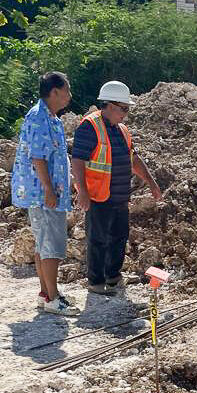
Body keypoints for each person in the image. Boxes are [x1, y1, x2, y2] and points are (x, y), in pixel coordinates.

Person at [70, 81, 162, 297]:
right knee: (98, 239)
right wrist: (82, 191)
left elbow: (133, 158)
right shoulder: (90, 126)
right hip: (98, 195)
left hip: (119, 196)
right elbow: (78, 160)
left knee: (119, 237)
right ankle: (96, 281)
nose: (126, 114)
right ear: (109, 105)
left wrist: (152, 183)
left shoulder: (121, 130)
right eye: (124, 109)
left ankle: (113, 277)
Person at [11, 71, 79, 316]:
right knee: (51, 245)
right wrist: (50, 189)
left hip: (49, 192)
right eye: (66, 91)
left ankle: (46, 293)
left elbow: (54, 156)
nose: (69, 96)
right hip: (44, 193)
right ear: (54, 92)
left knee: (43, 244)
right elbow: (38, 158)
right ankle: (52, 298)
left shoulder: (52, 119)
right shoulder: (39, 117)